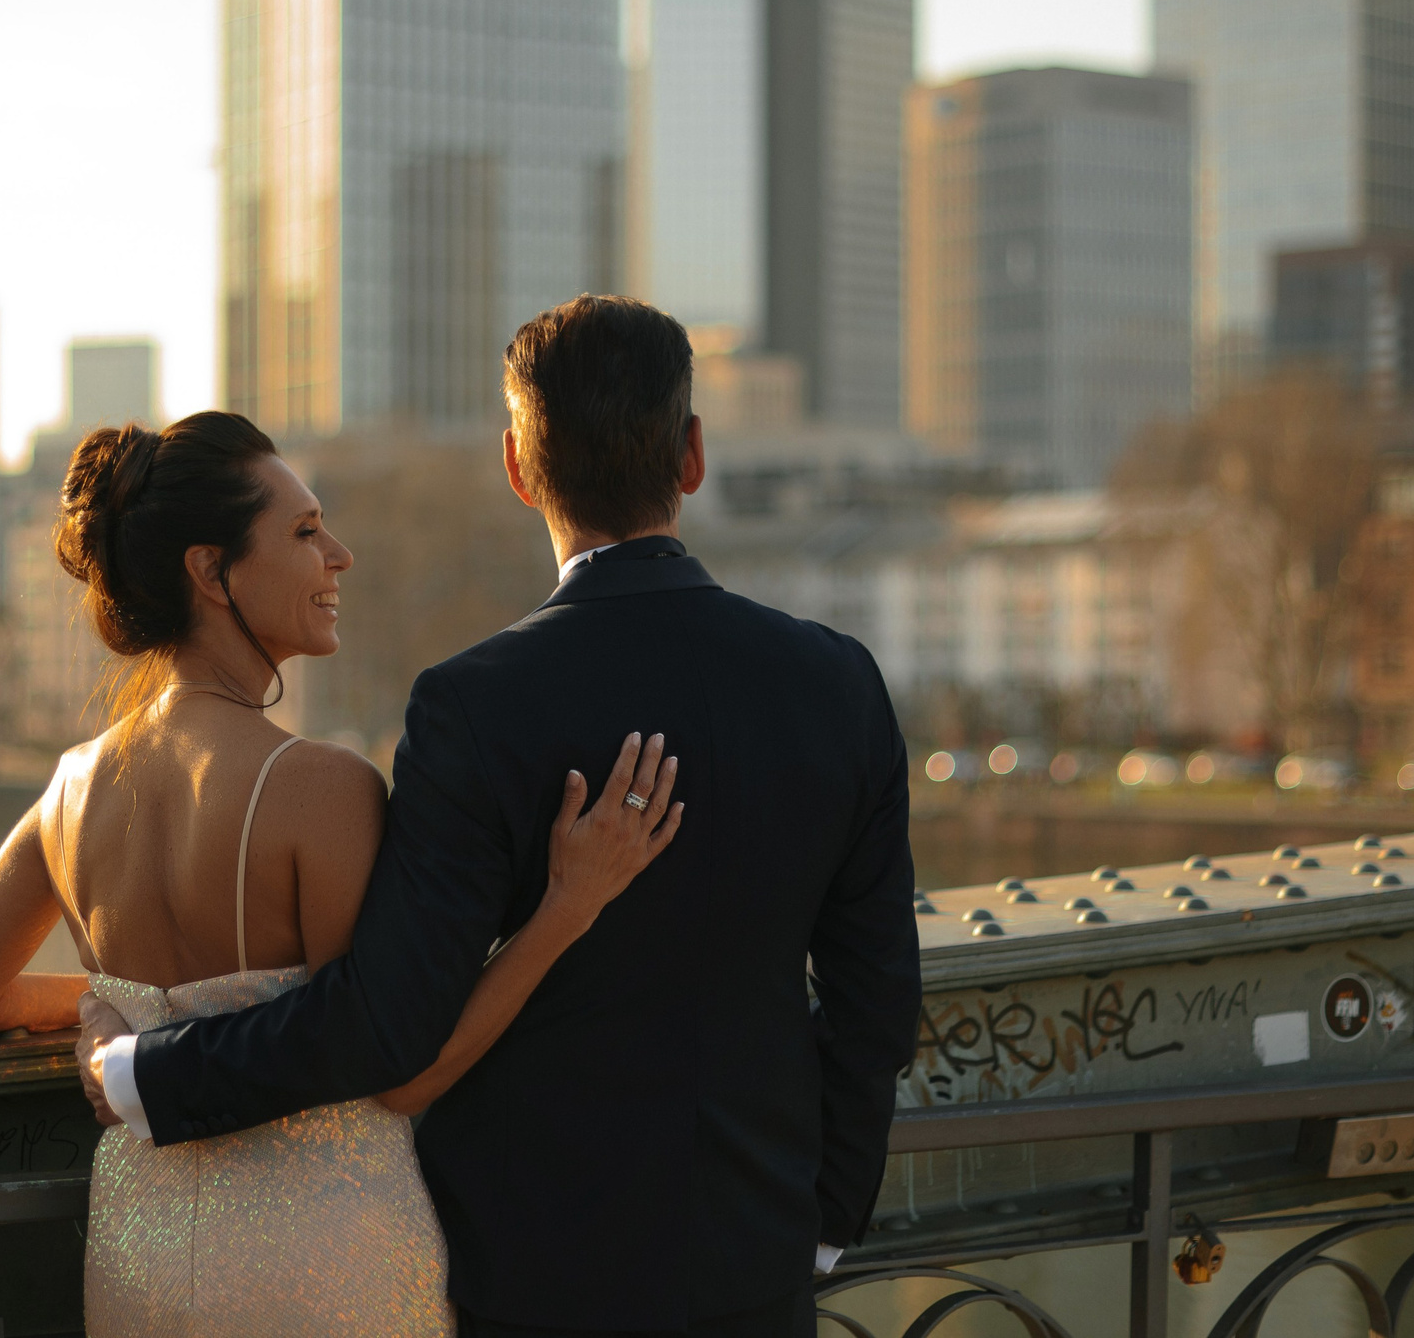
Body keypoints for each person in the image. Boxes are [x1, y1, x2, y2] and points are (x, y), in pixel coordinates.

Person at [95, 296, 922, 1338]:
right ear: (693, 454)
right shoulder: (836, 683)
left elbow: (389, 1017)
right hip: (753, 1259)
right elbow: (876, 999)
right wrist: (822, 1220)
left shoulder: (473, 703)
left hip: (533, 1271)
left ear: (517, 467)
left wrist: (145, 1070)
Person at [0, 409, 683, 1337]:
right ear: (210, 570)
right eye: (306, 532)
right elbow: (404, 1070)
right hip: (324, 1258)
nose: (340, 556)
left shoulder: (72, 786)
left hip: (141, 1256)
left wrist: (122, 1012)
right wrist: (568, 905)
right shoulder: (322, 786)